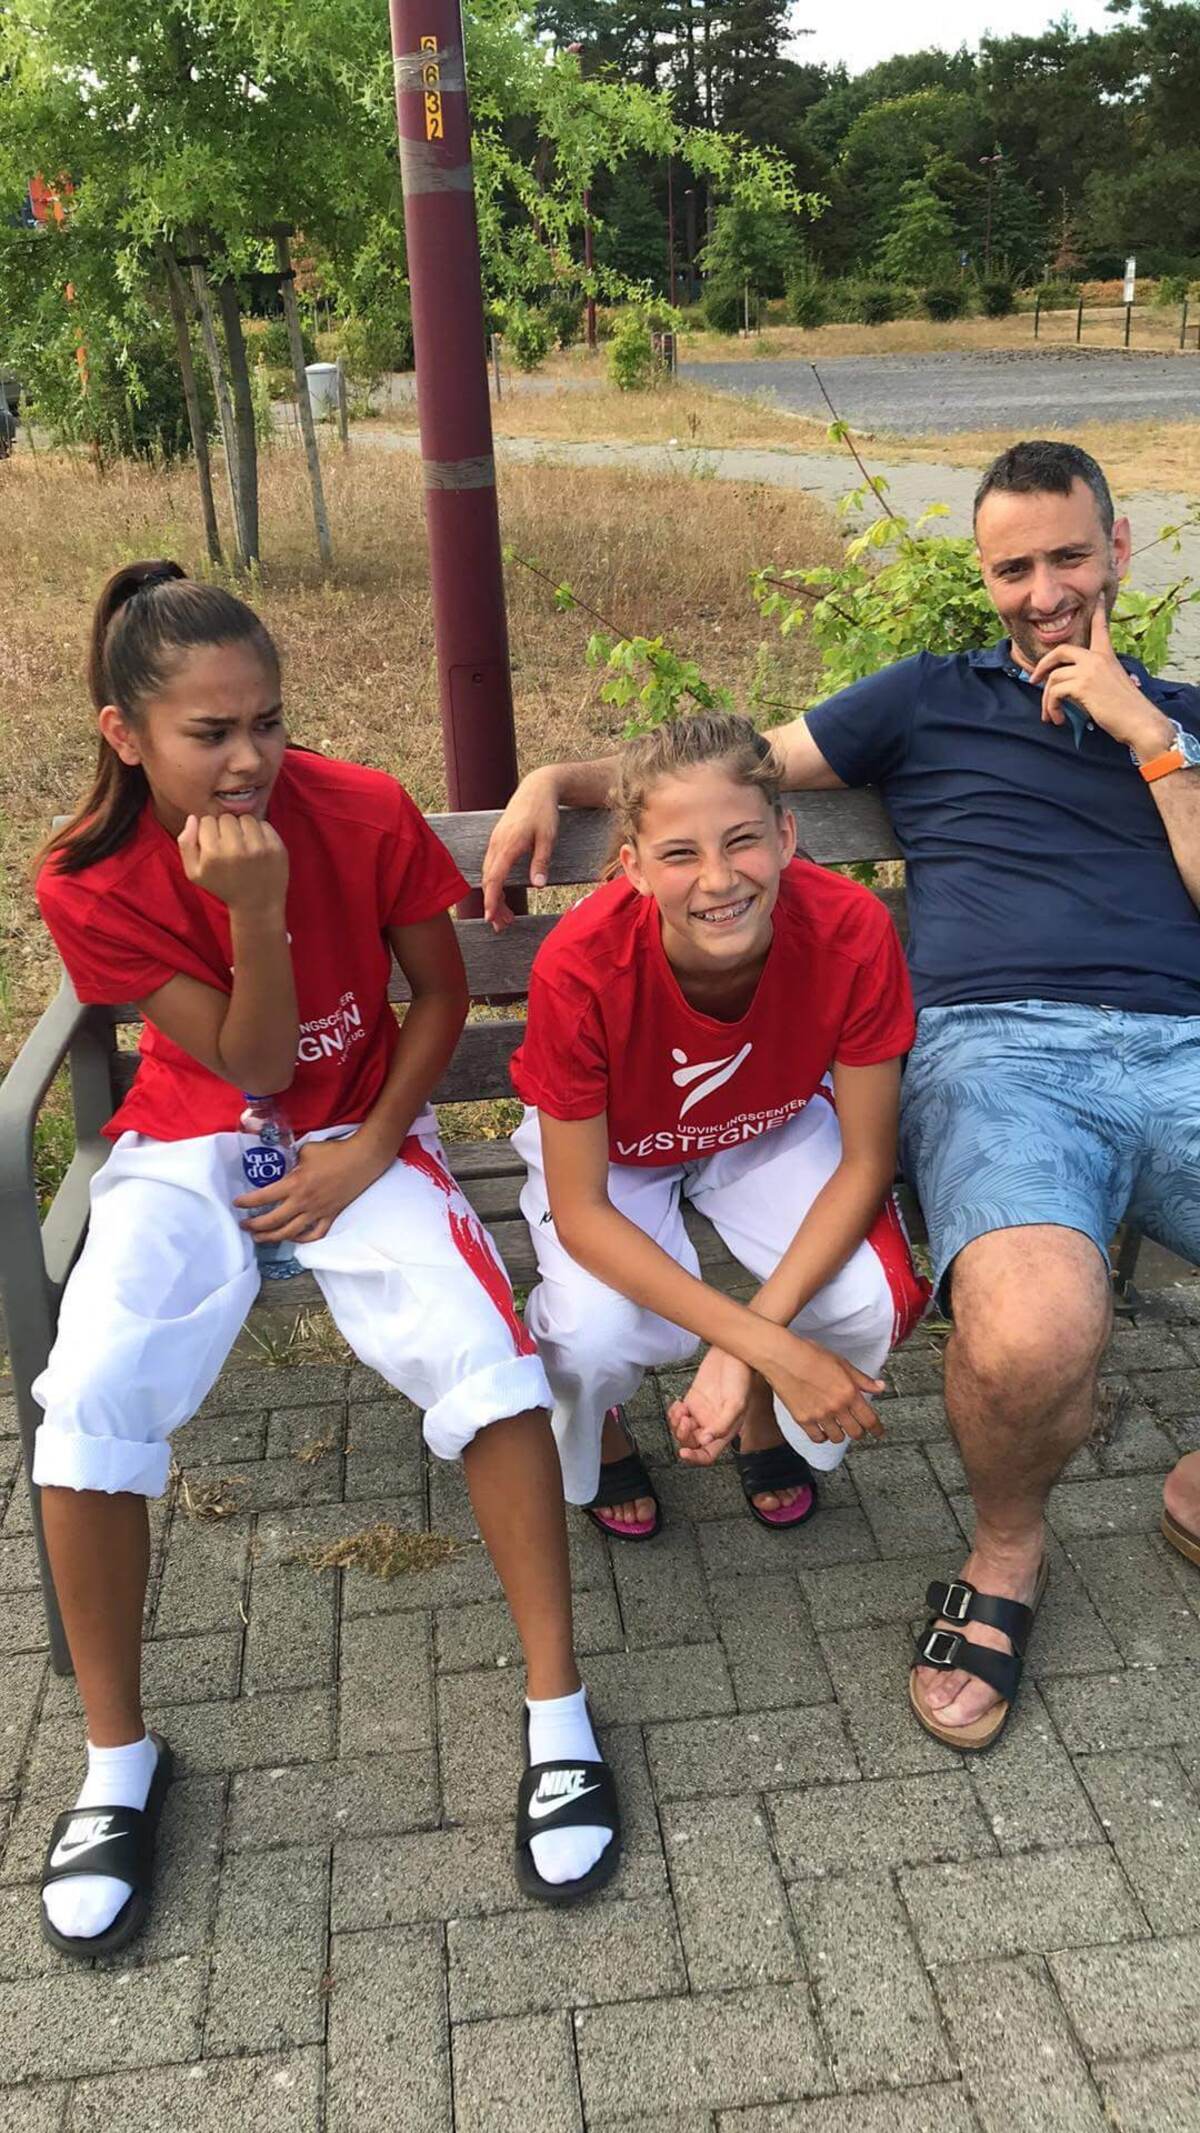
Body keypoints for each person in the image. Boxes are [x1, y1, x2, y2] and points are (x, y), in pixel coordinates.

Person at [482, 439, 1200, 1751]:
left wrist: (1152, 738)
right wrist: (558, 782)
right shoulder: (928, 698)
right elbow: (730, 777)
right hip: (1004, 1058)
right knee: (1031, 1328)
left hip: (1182, 1044)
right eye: (1014, 567)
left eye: (1067, 557)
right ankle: (1002, 1552)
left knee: (860, 1294)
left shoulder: (1190, 722)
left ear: (1119, 550)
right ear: (984, 576)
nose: (1044, 592)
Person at [31, 561, 620, 1957]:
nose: (250, 760)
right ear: (127, 733)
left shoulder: (356, 808)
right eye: (209, 733)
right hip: (190, 1138)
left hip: (362, 1128)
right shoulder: (85, 874)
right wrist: (253, 910)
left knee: (488, 1364)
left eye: (268, 723)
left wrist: (368, 1152)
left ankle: (559, 1716)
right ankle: (116, 1763)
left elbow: (440, 994)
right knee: (90, 1396)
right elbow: (244, 1064)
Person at [507, 710, 930, 1540]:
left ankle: (763, 1406)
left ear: (785, 835)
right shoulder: (581, 965)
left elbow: (867, 1161)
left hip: (765, 1123)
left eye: (742, 841)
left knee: (871, 1299)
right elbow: (583, 1210)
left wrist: (745, 1351)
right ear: (632, 867)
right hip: (620, 1147)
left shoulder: (850, 928)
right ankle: (600, 1427)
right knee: (594, 1334)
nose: (719, 879)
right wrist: (768, 1339)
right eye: (679, 854)